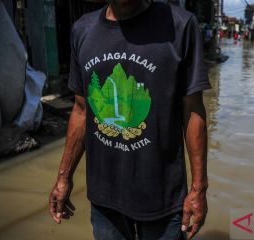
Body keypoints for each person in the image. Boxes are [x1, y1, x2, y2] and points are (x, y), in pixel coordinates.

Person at [48, 0, 211, 239]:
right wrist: (63, 178)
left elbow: (193, 112)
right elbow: (81, 111)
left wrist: (199, 189)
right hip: (105, 201)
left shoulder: (180, 25)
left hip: (163, 199)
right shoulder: (83, 29)